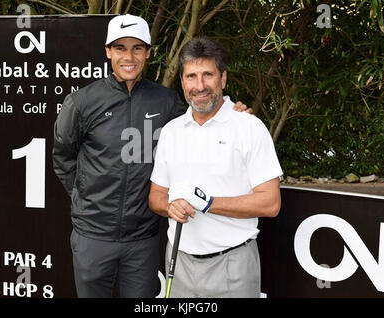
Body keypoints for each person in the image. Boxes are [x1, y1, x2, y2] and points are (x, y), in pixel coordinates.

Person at [53, 15, 250, 298]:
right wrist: (84, 198)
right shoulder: (82, 102)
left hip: (143, 239)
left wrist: (234, 112)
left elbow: (200, 122)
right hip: (92, 237)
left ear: (148, 53)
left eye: (137, 48)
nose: (128, 56)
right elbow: (63, 158)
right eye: (120, 48)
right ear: (108, 52)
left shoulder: (166, 101)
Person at [149, 37, 283, 298]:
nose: (200, 86)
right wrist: (169, 206)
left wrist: (208, 203)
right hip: (179, 262)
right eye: (191, 76)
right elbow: (156, 196)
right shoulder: (170, 131)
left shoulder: (249, 127)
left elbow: (270, 203)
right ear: (182, 82)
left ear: (223, 79)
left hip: (233, 264)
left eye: (207, 75)